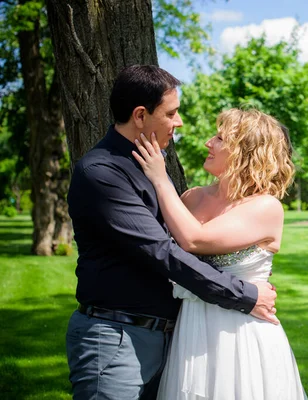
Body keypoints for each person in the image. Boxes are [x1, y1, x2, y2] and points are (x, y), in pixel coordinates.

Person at [66, 65, 278, 400]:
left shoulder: (150, 164)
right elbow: (162, 251)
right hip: (117, 336)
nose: (179, 123)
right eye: (171, 113)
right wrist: (246, 295)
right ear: (140, 115)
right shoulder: (102, 172)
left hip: (173, 338)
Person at [132, 108, 307, 399]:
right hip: (188, 331)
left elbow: (193, 240)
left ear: (245, 152)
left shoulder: (265, 207)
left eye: (220, 138)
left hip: (240, 336)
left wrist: (160, 179)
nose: (208, 143)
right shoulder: (192, 197)